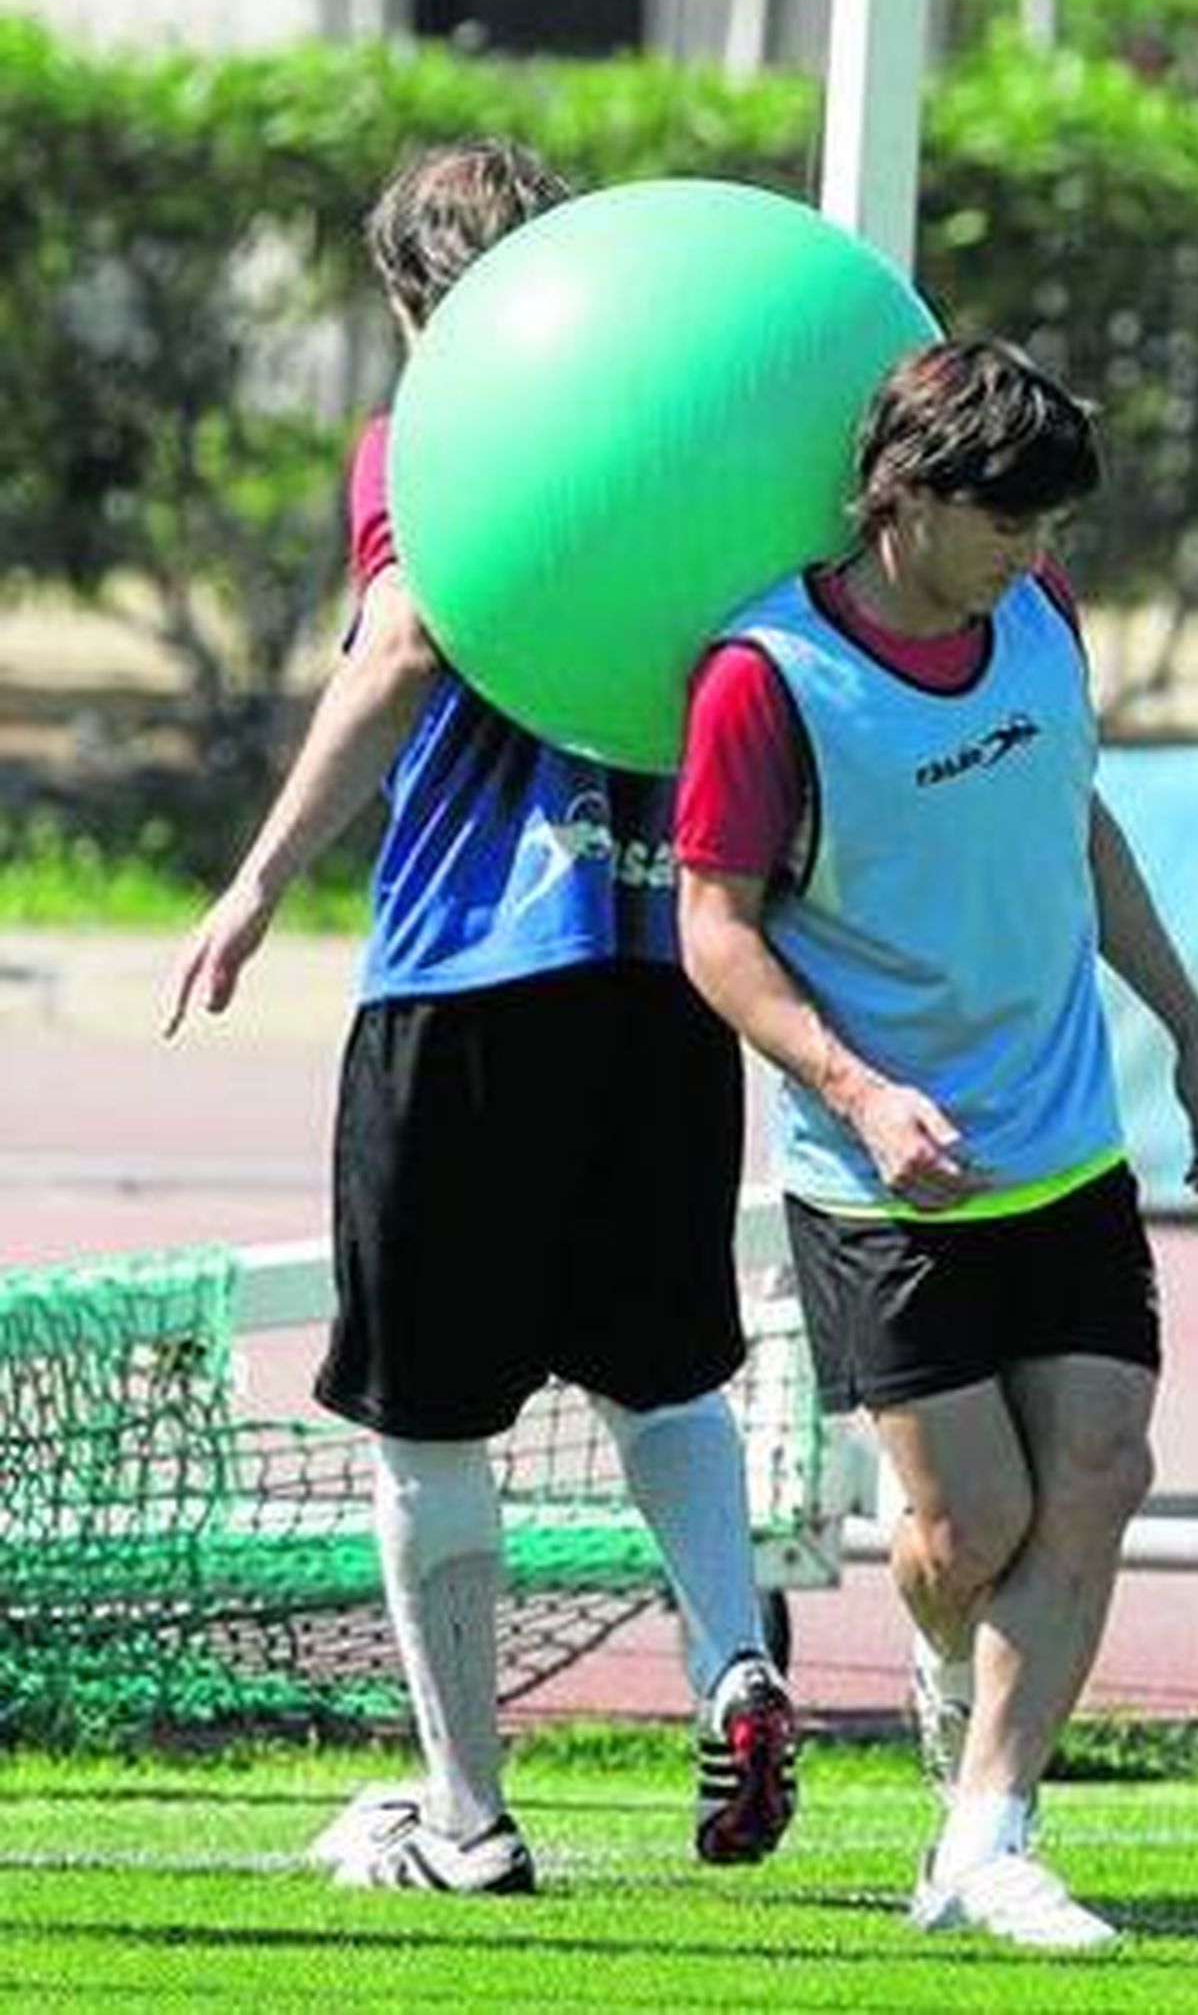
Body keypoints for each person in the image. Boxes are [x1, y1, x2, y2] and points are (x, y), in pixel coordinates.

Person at [164, 137, 796, 1895]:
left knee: (428, 1416)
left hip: (465, 972)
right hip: (667, 967)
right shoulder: (707, 430)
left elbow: (405, 645)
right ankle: (733, 1654)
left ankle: (467, 1815)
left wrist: (260, 879)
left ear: (408, 302)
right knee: (665, 1362)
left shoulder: (432, 441)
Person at [675, 338, 1198, 1953]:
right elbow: (715, 933)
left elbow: (1077, 818)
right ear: (906, 499)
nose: (1038, 558)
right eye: (1011, 524)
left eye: (1052, 528)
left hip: (1065, 1138)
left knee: (1104, 1467)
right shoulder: (766, 677)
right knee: (965, 1532)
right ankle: (949, 1669)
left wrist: (1190, 1025)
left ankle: (986, 1832)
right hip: (882, 1176)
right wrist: (859, 1090)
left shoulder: (1042, 621)